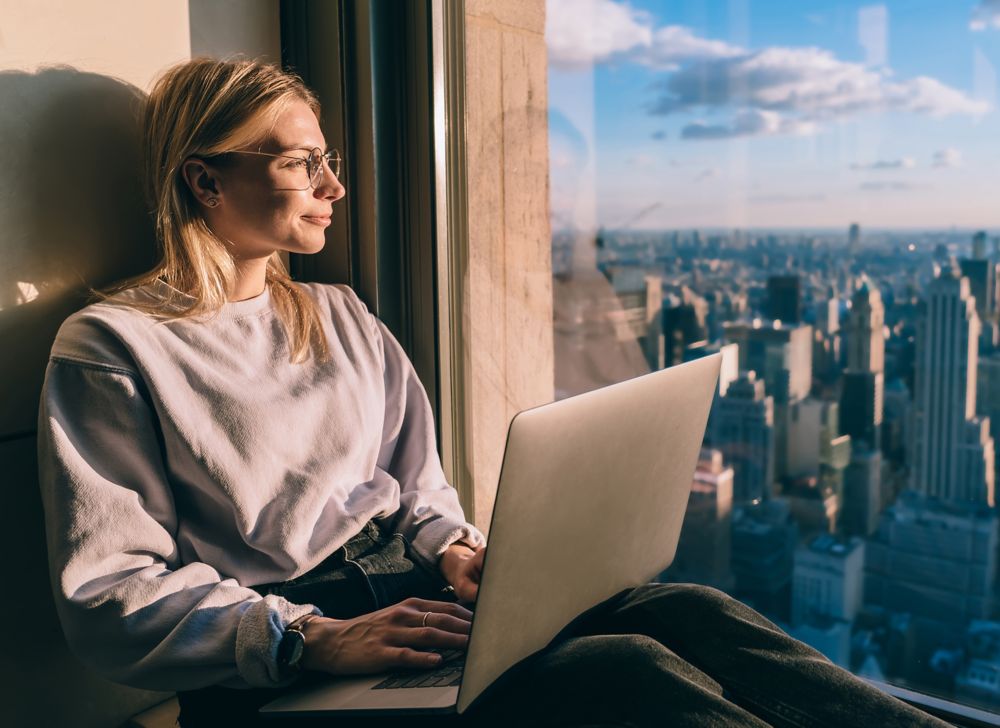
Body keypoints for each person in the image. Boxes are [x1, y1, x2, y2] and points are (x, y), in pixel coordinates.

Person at [37, 57, 949, 728]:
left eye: (330, 160)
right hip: (290, 652)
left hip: (418, 589)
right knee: (619, 669)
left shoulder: (338, 315)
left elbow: (419, 487)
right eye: (301, 163)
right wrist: (310, 637)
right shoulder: (115, 347)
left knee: (687, 609)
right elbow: (110, 593)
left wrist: (456, 547)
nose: (335, 187)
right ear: (206, 178)